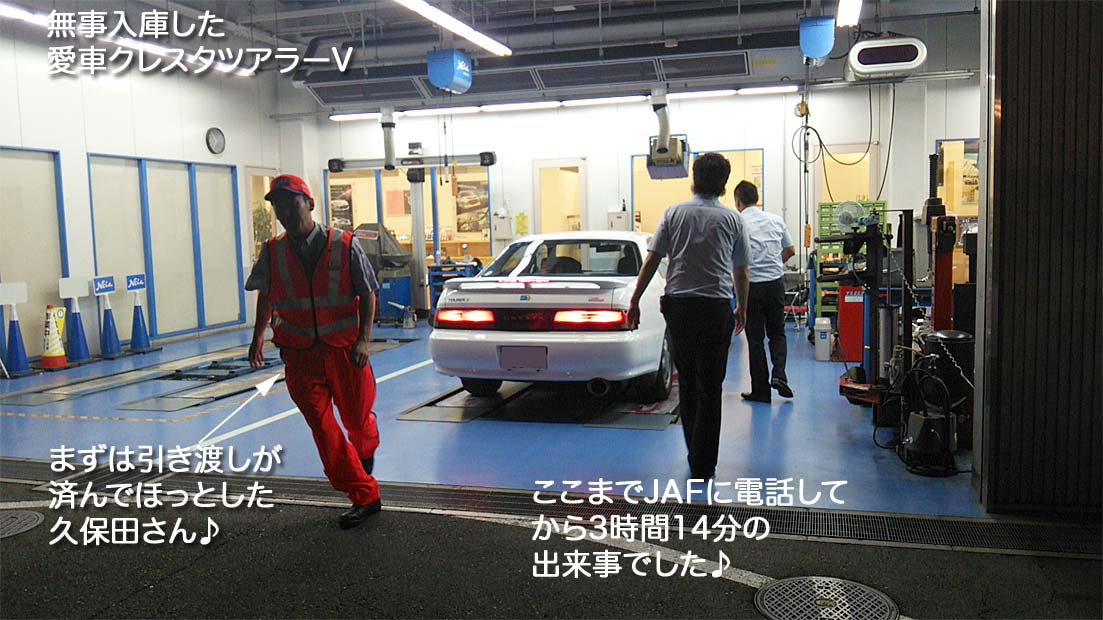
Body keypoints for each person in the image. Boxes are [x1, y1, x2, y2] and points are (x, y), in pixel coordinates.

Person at [245, 174, 383, 529]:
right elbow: (266, 293)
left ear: (309, 203)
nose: (285, 212)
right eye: (278, 206)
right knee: (323, 430)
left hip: (345, 353)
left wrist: (364, 340)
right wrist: (258, 336)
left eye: (291, 203)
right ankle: (363, 494)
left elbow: (367, 291)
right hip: (300, 357)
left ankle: (365, 447)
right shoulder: (273, 251)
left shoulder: (345, 244)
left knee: (356, 420)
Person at [627, 153, 751, 480]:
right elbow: (741, 271)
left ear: (694, 178)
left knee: (688, 382)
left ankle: (693, 452)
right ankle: (703, 463)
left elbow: (652, 260)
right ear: (724, 183)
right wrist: (742, 307)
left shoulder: (674, 213)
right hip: (715, 308)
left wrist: (635, 300)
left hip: (679, 307)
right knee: (711, 384)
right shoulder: (733, 219)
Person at [733, 180, 796, 403]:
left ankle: (761, 391)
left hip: (750, 286)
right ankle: (779, 375)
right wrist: (774, 263)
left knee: (755, 339)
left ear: (738, 202)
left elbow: (734, 262)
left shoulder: (737, 223)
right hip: (775, 284)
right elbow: (790, 250)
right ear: (756, 199)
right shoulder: (775, 220)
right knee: (777, 332)